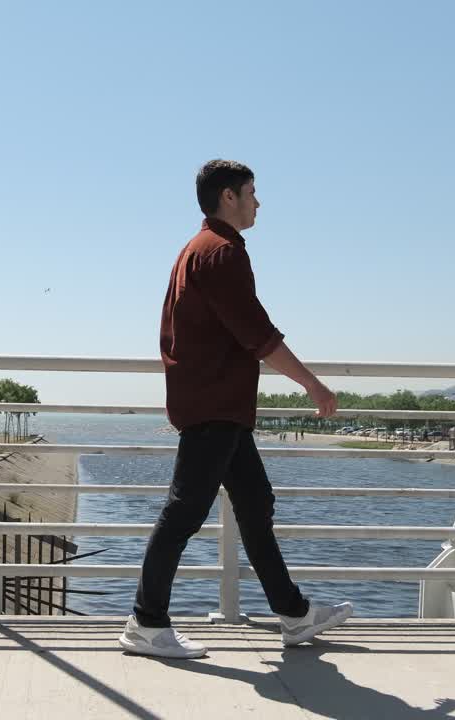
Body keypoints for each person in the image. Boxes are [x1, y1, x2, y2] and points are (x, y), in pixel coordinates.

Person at [119, 160, 354, 660]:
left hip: (217, 404)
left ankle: (293, 613)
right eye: (252, 192)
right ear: (229, 197)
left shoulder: (196, 249)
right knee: (183, 513)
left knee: (254, 504)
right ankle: (146, 623)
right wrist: (313, 386)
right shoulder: (221, 253)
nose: (258, 202)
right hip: (215, 405)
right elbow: (258, 336)